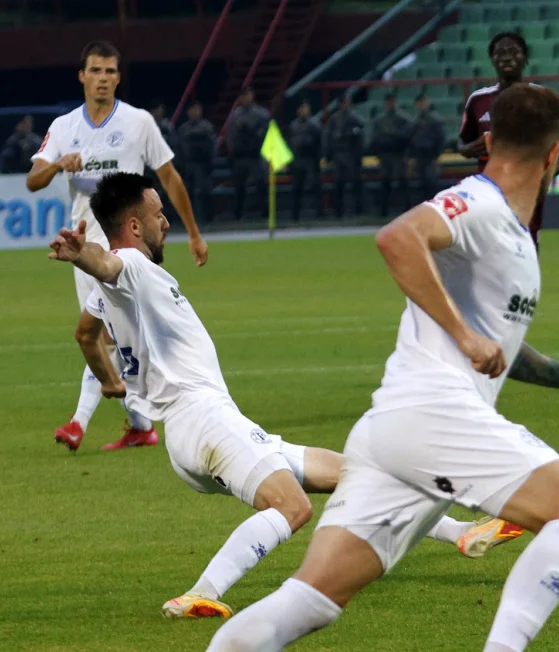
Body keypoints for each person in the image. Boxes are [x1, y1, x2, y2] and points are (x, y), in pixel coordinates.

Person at [206, 83, 559, 652]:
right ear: (557, 153)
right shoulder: (479, 203)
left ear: (488, 139)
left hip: (394, 434)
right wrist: (463, 337)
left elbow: (496, 342)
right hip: (437, 415)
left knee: (308, 600)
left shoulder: (509, 230)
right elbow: (398, 237)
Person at [45, 172, 344, 619]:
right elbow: (105, 264)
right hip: (204, 419)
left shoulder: (113, 291)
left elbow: (86, 334)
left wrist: (109, 382)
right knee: (291, 506)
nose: (166, 222)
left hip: (191, 433)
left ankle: (461, 530)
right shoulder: (134, 267)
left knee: (353, 474)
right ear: (132, 226)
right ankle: (200, 592)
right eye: (158, 214)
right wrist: (82, 256)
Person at [27, 40, 208, 452]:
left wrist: (194, 232)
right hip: (82, 248)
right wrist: (58, 165)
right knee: (115, 335)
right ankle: (140, 426)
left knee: (101, 334)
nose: (103, 79)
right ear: (82, 76)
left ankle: (78, 422)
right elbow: (33, 181)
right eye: (96, 71)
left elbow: (170, 177)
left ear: (118, 77)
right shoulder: (65, 126)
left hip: (126, 245)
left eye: (110, 71)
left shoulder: (138, 121)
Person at [459, 31, 559, 248]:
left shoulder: (543, 99)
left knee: (525, 252)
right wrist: (471, 149)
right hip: (488, 193)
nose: (507, 57)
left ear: (525, 57)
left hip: (526, 194)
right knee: (489, 255)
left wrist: (537, 178)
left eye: (514, 52)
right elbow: (462, 145)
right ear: (492, 60)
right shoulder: (478, 100)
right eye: (500, 53)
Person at [227, 87, 270, 221]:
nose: (244, 98)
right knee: (239, 186)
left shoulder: (261, 114)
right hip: (240, 156)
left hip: (255, 155)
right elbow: (231, 135)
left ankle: (265, 213)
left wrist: (250, 129)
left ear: (252, 95)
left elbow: (264, 133)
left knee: (261, 184)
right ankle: (238, 214)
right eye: (242, 96)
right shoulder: (235, 115)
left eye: (247, 95)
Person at [325, 94, 366, 218]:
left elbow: (360, 137)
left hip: (351, 155)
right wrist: (328, 154)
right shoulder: (333, 119)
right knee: (338, 184)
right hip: (338, 155)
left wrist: (359, 156)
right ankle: (338, 211)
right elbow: (328, 137)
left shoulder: (355, 118)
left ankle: (358, 210)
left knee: (356, 183)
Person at [372, 93, 411, 216]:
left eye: (392, 101)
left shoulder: (403, 119)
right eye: (388, 102)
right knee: (385, 182)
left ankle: (406, 209)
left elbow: (406, 136)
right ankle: (384, 211)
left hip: (399, 154)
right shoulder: (380, 120)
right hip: (386, 155)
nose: (390, 104)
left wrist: (391, 134)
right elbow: (376, 138)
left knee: (402, 182)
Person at [177, 101, 216, 223]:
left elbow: (213, 146)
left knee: (204, 192)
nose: (195, 112)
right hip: (188, 164)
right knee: (187, 193)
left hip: (203, 164)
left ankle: (207, 219)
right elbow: (179, 148)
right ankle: (188, 220)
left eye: (197, 109)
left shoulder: (207, 127)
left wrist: (211, 163)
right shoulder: (183, 129)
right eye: (192, 110)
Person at [288, 99, 324, 222]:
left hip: (311, 160)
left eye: (307, 108)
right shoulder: (293, 125)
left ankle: (320, 213)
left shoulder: (315, 124)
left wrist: (320, 157)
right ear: (298, 110)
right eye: (303, 108)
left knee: (315, 186)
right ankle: (295, 215)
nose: (305, 110)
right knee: (297, 188)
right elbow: (291, 144)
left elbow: (320, 141)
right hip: (298, 160)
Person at [409, 92, 447, 203]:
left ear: (427, 103)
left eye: (423, 102)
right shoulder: (416, 121)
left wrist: (437, 155)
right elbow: (412, 139)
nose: (421, 105)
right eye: (419, 103)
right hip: (419, 156)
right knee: (422, 183)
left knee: (431, 183)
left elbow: (441, 139)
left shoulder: (435, 120)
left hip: (431, 155)